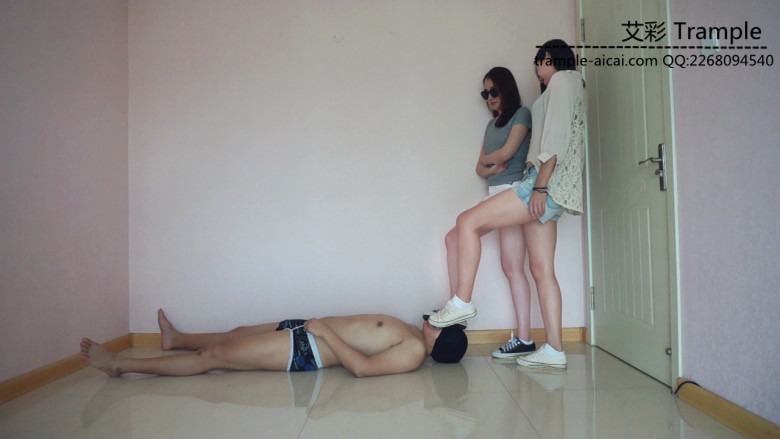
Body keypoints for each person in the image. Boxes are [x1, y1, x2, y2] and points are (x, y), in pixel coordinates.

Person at [428, 39, 586, 370]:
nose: (538, 69)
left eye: (542, 62)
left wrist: (539, 186)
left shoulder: (563, 80)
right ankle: (554, 350)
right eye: (536, 64)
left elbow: (554, 141)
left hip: (542, 183)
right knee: (542, 270)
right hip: (553, 188)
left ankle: (462, 302)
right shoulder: (568, 87)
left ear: (556, 59)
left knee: (467, 222)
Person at [442, 66, 536, 359]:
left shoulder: (522, 115)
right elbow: (479, 168)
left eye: (493, 90)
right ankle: (458, 309)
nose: (490, 97)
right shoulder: (491, 125)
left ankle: (465, 305)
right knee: (454, 239)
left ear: (506, 88)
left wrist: (491, 162)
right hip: (496, 193)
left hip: (514, 192)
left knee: (510, 265)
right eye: (485, 93)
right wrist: (492, 166)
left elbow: (507, 153)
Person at [81, 309, 467, 378]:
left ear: (441, 340)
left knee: (214, 356)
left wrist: (324, 333)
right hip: (309, 329)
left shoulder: (413, 353)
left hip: (307, 347)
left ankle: (120, 365)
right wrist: (318, 326)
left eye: (440, 322)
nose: (435, 316)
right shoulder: (413, 335)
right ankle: (175, 340)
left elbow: (362, 368)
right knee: (236, 332)